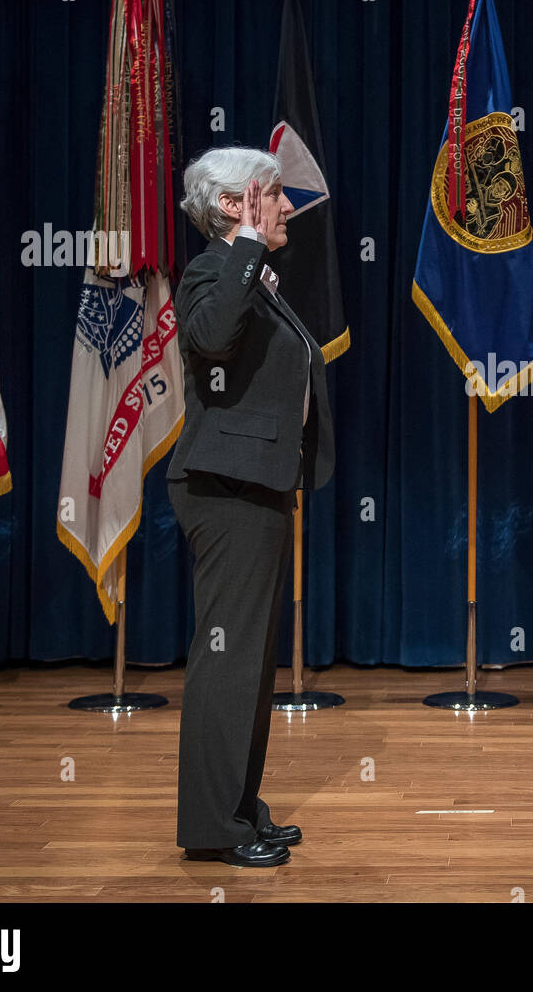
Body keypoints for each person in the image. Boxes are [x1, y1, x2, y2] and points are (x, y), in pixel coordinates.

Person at [167, 147, 335, 867]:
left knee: (250, 664)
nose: (289, 206)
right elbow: (209, 337)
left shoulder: (250, 277)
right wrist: (242, 248)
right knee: (226, 660)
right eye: (275, 194)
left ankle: (238, 808)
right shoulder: (212, 268)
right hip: (224, 486)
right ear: (236, 206)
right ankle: (212, 825)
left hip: (257, 483)